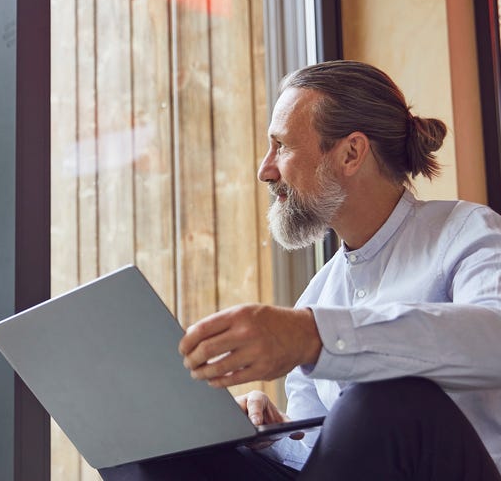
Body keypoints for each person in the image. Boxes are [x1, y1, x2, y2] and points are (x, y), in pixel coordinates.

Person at [99, 60, 501, 480]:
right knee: (165, 450)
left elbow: (494, 337)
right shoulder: (320, 293)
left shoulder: (464, 230)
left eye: (282, 146)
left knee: (385, 398)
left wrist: (312, 336)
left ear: (350, 153)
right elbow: (320, 461)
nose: (265, 170)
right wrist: (268, 438)